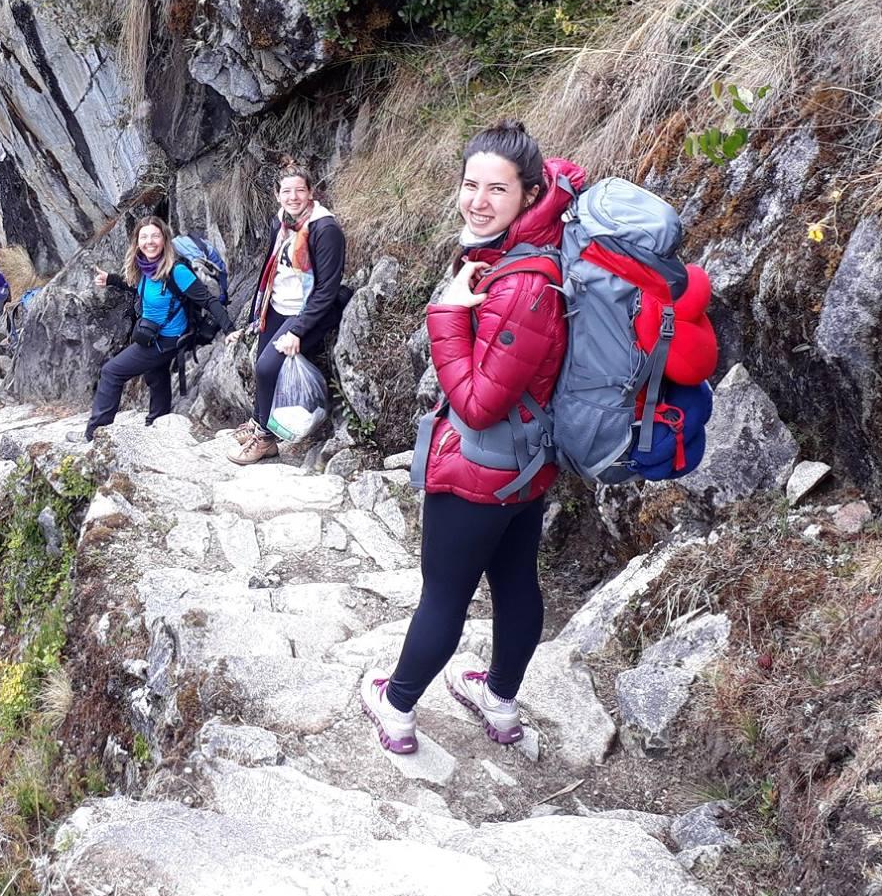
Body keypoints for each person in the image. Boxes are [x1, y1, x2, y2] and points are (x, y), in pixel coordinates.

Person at [358, 122, 587, 755]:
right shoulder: (529, 255)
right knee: (517, 584)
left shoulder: (523, 287)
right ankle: (501, 704)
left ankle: (398, 708)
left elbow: (478, 404)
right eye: (469, 185)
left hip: (481, 467)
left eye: (497, 189)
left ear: (529, 193)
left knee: (444, 597)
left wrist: (447, 315)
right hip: (526, 465)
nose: (478, 200)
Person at [227, 166, 347, 465]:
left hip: (307, 310)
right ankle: (259, 423)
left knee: (268, 368)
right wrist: (257, 314)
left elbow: (327, 289)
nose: (293, 197)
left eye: (299, 190)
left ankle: (265, 440)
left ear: (310, 192)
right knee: (260, 364)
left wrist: (298, 331)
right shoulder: (280, 222)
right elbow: (271, 268)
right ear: (277, 195)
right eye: (286, 191)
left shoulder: (324, 228)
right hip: (278, 306)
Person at [85, 216, 222, 441]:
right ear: (137, 242)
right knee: (156, 374)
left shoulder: (176, 271)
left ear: (165, 239)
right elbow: (135, 287)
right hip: (155, 336)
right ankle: (157, 421)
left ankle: (95, 434)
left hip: (168, 340)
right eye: (144, 236)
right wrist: (111, 279)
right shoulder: (146, 267)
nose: (150, 241)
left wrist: (231, 329)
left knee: (111, 372)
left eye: (155, 236)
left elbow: (208, 300)